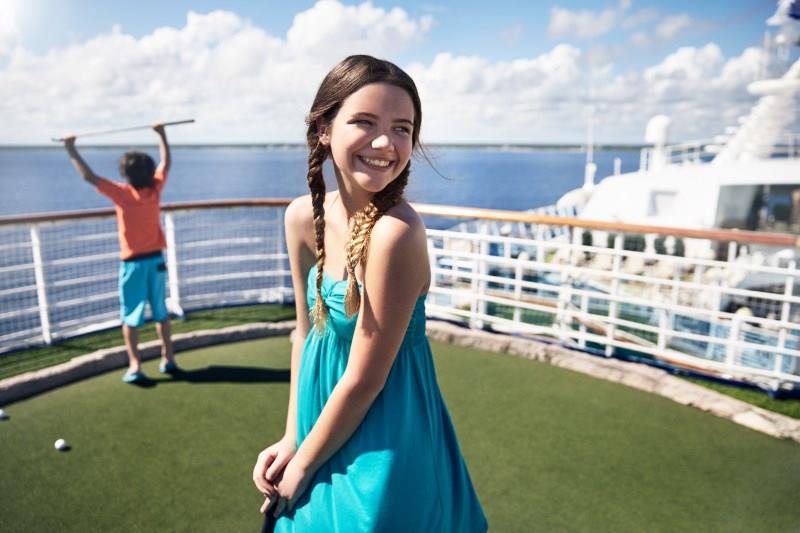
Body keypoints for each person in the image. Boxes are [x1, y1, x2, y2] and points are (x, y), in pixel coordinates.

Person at [252, 55, 488, 532]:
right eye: (365, 121)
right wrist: (292, 436)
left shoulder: (395, 235)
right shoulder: (302, 218)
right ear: (324, 128)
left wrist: (302, 465)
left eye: (402, 129)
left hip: (386, 438)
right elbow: (305, 335)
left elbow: (365, 379)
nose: (386, 143)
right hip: (320, 423)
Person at [63, 125, 178, 383]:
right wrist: (161, 134)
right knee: (161, 312)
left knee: (130, 316)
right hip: (156, 261)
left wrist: (70, 148)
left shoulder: (122, 194)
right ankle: (168, 358)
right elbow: (166, 163)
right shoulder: (155, 190)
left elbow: (88, 176)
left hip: (132, 264)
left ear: (126, 175)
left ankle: (135, 364)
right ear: (149, 172)